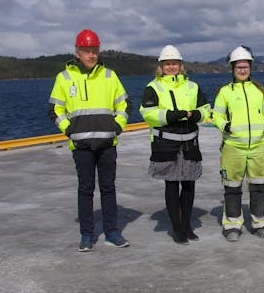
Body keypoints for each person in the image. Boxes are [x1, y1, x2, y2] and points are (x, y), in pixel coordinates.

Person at [48, 29, 131, 251]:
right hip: (81, 145)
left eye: (94, 50)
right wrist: (70, 130)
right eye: (86, 51)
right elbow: (55, 110)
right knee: (85, 189)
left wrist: (117, 127)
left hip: (107, 143)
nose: (91, 55)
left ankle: (112, 232)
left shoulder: (109, 76)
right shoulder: (64, 78)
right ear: (77, 52)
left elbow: (124, 105)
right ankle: (87, 235)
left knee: (108, 188)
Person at [139, 45, 211, 244]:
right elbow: (147, 113)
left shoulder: (192, 87)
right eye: (167, 63)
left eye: (174, 63)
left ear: (181, 65)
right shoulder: (153, 87)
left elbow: (206, 108)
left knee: (189, 184)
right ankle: (177, 228)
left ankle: (187, 225)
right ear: (161, 66)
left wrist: (197, 114)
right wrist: (171, 116)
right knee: (171, 184)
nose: (171, 67)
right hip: (166, 142)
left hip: (189, 142)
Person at [213, 46, 264, 242]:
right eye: (239, 67)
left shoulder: (258, 90)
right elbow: (217, 115)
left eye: (246, 66)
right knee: (232, 187)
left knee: (259, 186)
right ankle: (232, 226)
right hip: (233, 147)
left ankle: (260, 224)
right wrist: (227, 126)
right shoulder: (225, 92)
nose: (242, 70)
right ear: (232, 69)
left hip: (258, 146)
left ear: (250, 68)